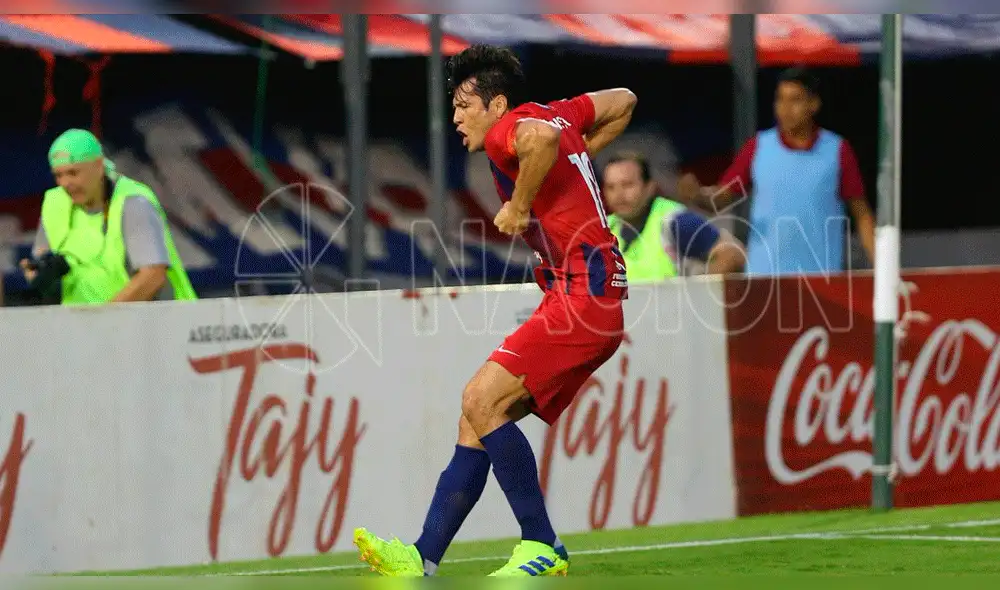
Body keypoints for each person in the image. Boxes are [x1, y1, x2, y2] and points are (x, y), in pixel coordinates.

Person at [352, 45, 636, 577]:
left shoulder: (514, 129)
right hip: (585, 295)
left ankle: (542, 542)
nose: (456, 117)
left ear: (495, 103)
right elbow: (624, 100)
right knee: (477, 417)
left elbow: (543, 139)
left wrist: (521, 202)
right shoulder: (557, 113)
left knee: (480, 398)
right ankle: (423, 555)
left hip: (584, 295)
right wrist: (577, 152)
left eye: (464, 105)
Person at [678, 67, 875, 275]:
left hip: (822, 279)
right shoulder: (759, 147)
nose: (785, 108)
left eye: (795, 100)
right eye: (780, 99)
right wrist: (698, 195)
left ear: (814, 104)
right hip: (764, 280)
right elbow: (723, 198)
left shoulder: (837, 150)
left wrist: (883, 272)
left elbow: (862, 215)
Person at [21, 128, 197, 304]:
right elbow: (42, 259)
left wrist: (106, 321)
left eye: (73, 173)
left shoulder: (132, 202)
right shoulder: (55, 203)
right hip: (84, 326)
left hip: (162, 325)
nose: (66, 183)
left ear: (98, 166)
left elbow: (152, 276)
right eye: (58, 175)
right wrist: (39, 275)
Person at [602, 150, 744, 279]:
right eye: (611, 187)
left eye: (627, 185)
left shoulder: (675, 221)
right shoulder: (602, 229)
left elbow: (733, 254)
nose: (619, 195)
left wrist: (698, 293)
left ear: (650, 187)